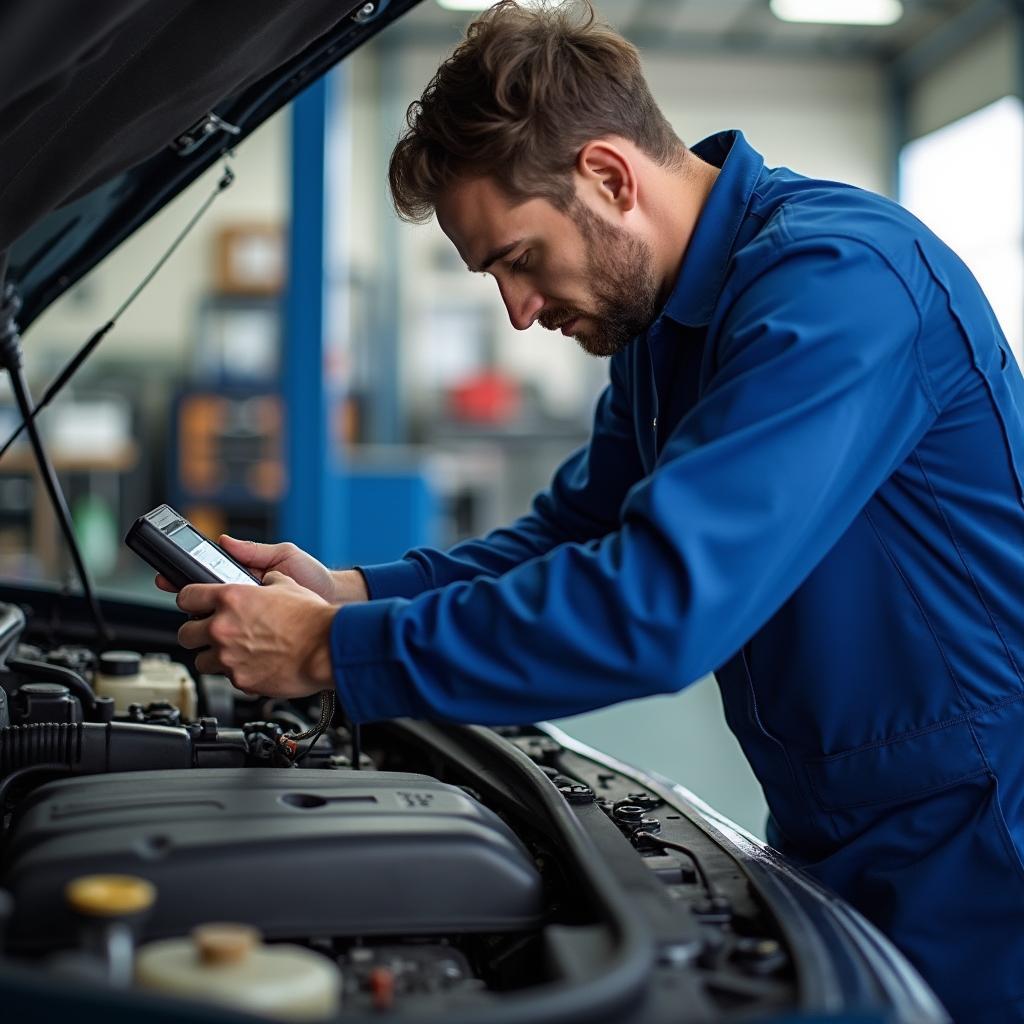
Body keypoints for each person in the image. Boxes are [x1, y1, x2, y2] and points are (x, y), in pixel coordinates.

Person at [164, 2, 1024, 1018]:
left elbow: (656, 606)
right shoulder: (667, 328)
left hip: (982, 854)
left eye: (519, 259)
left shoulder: (838, 289)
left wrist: (334, 651)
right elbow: (573, 535)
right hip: (840, 831)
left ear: (610, 177)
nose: (518, 312)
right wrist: (351, 591)